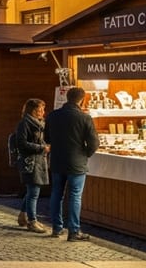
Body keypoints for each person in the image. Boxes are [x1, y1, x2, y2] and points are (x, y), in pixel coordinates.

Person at [45, 86, 98, 241]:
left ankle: (56, 227)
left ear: (67, 97)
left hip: (57, 161)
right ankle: (74, 231)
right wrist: (85, 154)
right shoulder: (84, 118)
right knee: (75, 195)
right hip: (77, 162)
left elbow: (47, 139)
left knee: (56, 194)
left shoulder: (53, 116)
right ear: (82, 99)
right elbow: (94, 142)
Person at [13, 98, 50, 234]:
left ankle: (23, 216)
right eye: (38, 109)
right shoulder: (24, 124)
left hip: (39, 161)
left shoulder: (41, 124)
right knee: (34, 192)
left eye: (42, 109)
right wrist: (42, 148)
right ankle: (32, 221)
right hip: (30, 162)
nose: (41, 112)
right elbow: (21, 144)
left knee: (31, 191)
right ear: (31, 110)